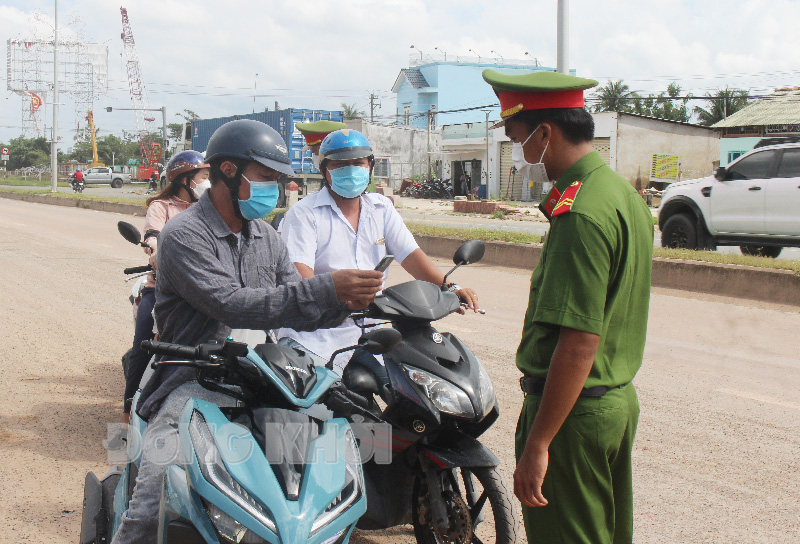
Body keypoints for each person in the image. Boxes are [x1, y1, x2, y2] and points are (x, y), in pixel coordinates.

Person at [111, 119, 384, 544]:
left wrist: (343, 307)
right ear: (227, 171)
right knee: (152, 499)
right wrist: (328, 286)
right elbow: (232, 303)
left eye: (277, 179)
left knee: (319, 487)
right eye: (265, 176)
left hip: (265, 380)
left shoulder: (267, 237)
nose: (274, 188)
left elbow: (291, 304)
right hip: (192, 379)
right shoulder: (183, 236)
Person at [482, 69, 654, 543]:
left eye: (516, 139)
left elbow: (578, 341)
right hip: (610, 404)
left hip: (572, 415)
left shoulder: (580, 213)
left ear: (544, 133)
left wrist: (539, 442)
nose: (517, 155)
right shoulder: (621, 195)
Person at [277, 128, 480, 378]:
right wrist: (343, 302)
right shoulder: (303, 214)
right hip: (316, 336)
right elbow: (302, 281)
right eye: (341, 164)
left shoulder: (381, 208)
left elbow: (411, 255)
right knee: (317, 408)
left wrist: (449, 287)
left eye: (358, 163)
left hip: (373, 329)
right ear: (324, 170)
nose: (351, 170)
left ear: (370, 166)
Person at [121, 150, 210, 425]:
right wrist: (156, 252)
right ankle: (127, 416)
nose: (208, 182)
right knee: (143, 343)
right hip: (162, 289)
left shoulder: (210, 208)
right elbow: (153, 236)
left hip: (203, 289)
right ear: (185, 179)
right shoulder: (161, 207)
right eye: (204, 176)